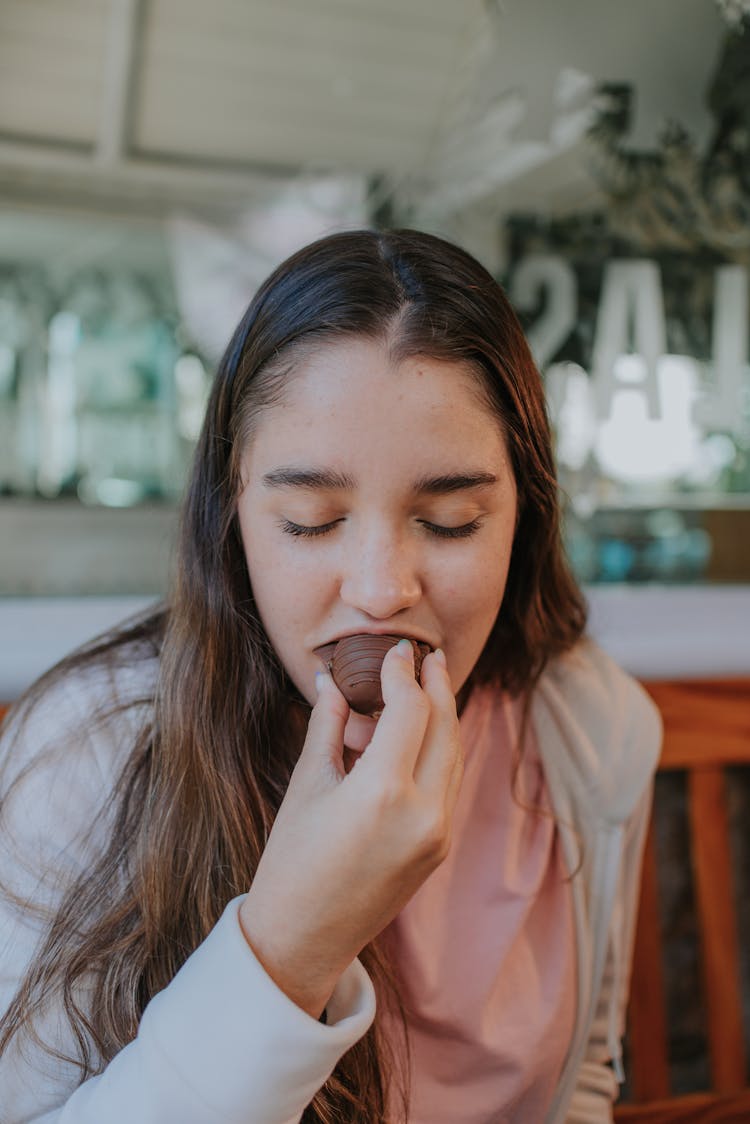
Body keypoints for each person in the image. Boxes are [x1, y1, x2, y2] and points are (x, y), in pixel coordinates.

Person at [0, 229, 662, 1123]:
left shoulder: (589, 726)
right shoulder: (88, 751)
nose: (383, 590)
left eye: (454, 520)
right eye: (311, 521)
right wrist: (290, 945)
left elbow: (582, 1076)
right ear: (231, 519)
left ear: (526, 516)